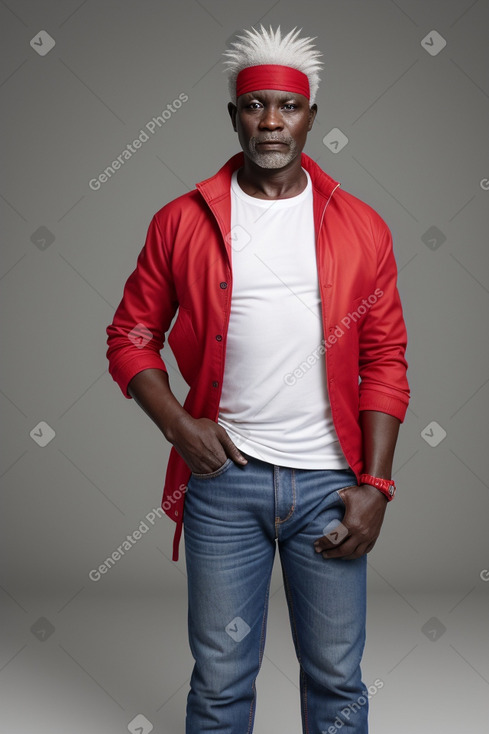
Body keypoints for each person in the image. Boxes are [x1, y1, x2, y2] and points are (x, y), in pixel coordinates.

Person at [106, 25, 410, 733]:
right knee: (217, 683)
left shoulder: (361, 227)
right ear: (233, 116)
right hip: (222, 487)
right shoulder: (182, 220)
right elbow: (130, 335)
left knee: (336, 680)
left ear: (309, 117)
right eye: (253, 106)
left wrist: (376, 486)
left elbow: (385, 359)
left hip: (327, 487)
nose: (270, 121)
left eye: (287, 106)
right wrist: (179, 426)